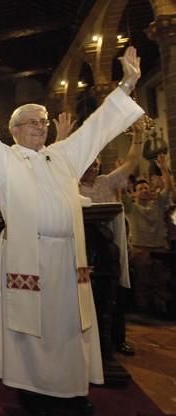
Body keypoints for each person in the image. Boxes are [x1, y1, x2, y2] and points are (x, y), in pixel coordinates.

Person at [0, 45, 144, 415]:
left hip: (67, 258)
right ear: (14, 130)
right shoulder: (6, 159)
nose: (41, 126)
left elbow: (99, 127)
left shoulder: (62, 155)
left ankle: (73, 391)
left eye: (43, 121)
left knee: (68, 328)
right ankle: (35, 393)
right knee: (34, 329)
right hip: (31, 258)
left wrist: (127, 83)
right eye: (33, 121)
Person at [76, 117, 145, 356]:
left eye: (96, 164)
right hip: (83, 251)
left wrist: (138, 137)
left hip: (108, 248)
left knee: (113, 295)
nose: (94, 168)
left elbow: (131, 162)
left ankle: (118, 339)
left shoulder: (106, 182)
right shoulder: (71, 186)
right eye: (89, 164)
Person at [122, 155, 173, 315]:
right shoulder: (132, 208)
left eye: (146, 188)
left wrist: (164, 168)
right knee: (143, 282)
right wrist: (124, 171)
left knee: (161, 282)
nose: (144, 190)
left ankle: (160, 308)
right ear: (135, 193)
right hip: (141, 249)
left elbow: (168, 189)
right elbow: (122, 192)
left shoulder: (157, 205)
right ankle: (144, 311)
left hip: (159, 249)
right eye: (140, 189)